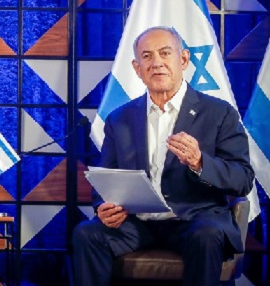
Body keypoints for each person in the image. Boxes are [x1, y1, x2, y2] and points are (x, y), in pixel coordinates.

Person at [72, 26, 254, 286]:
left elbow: (243, 179)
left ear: (183, 60)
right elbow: (106, 179)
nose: (156, 63)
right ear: (137, 68)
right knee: (86, 234)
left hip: (195, 220)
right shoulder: (119, 118)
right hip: (137, 224)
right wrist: (104, 206)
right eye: (146, 56)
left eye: (165, 53)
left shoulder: (219, 113)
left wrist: (200, 162)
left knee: (206, 236)